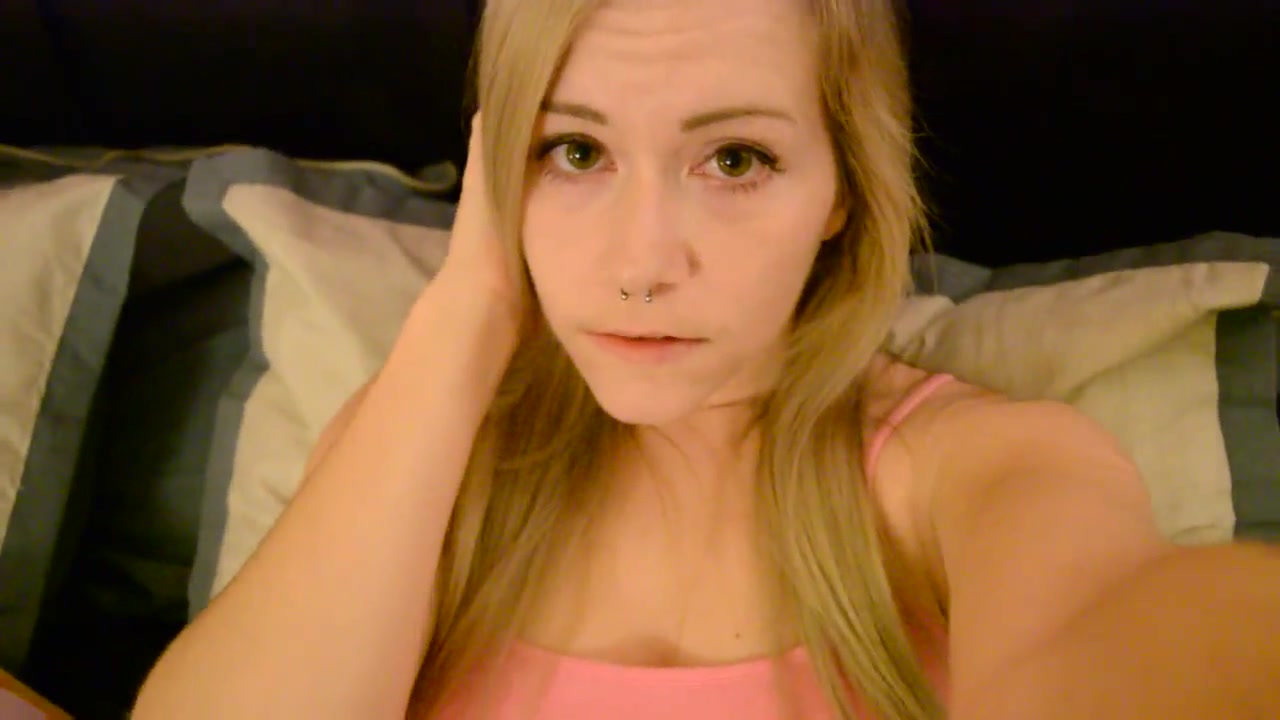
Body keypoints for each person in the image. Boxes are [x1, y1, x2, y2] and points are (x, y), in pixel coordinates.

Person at [131, 0, 1280, 718]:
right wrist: (466, 313)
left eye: (733, 160)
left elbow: (1099, 639)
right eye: (572, 151)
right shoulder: (425, 448)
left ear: (841, 189)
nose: (641, 263)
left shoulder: (974, 469)